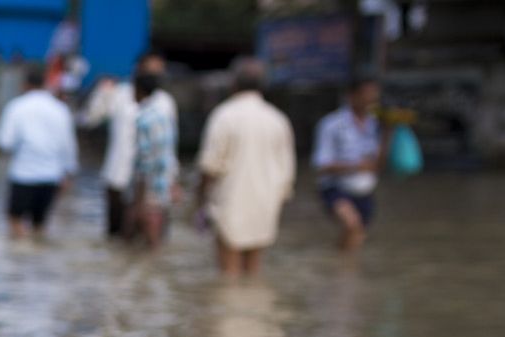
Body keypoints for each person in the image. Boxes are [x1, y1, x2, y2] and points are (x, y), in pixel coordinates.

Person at [195, 58, 297, 278]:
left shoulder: (224, 116)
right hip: (265, 203)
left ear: (233, 84)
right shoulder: (277, 119)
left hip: (230, 202)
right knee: (253, 273)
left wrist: (200, 200)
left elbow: (209, 166)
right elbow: (287, 173)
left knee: (228, 275)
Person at [81, 53, 176, 240]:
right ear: (138, 70)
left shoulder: (165, 102)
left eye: (159, 71)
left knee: (152, 239)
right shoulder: (119, 94)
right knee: (116, 237)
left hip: (154, 185)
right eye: (150, 71)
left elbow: (169, 146)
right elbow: (89, 119)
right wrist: (102, 93)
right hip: (119, 176)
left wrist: (173, 179)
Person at [0, 65, 78, 239]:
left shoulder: (16, 107)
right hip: (51, 176)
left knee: (15, 221)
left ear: (25, 84)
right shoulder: (60, 109)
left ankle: (20, 254)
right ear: (45, 83)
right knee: (40, 225)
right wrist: (69, 173)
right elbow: (68, 145)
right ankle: (39, 254)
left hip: (23, 175)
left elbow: (4, 142)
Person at [313, 78, 384, 251]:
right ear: (352, 96)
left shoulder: (376, 124)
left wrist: (390, 132)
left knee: (357, 237)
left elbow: (379, 165)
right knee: (352, 225)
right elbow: (321, 165)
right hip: (335, 187)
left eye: (374, 96)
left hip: (365, 190)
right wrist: (356, 166)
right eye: (367, 95)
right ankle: (340, 265)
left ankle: (342, 264)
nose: (370, 100)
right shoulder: (332, 124)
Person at [130, 73, 177, 249]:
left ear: (139, 90)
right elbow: (169, 153)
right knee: (158, 233)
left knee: (149, 236)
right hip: (164, 181)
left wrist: (139, 198)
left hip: (150, 184)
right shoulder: (162, 115)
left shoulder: (144, 119)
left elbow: (145, 162)